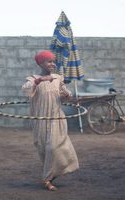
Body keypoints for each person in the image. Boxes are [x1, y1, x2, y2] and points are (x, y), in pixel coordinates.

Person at [22, 50, 79, 191]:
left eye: (53, 61)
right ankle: (50, 175)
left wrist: (66, 95)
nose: (52, 64)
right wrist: (39, 80)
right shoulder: (32, 79)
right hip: (40, 120)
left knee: (53, 147)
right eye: (49, 61)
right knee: (43, 149)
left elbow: (65, 96)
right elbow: (26, 91)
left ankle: (47, 179)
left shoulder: (58, 78)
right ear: (41, 63)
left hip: (56, 118)